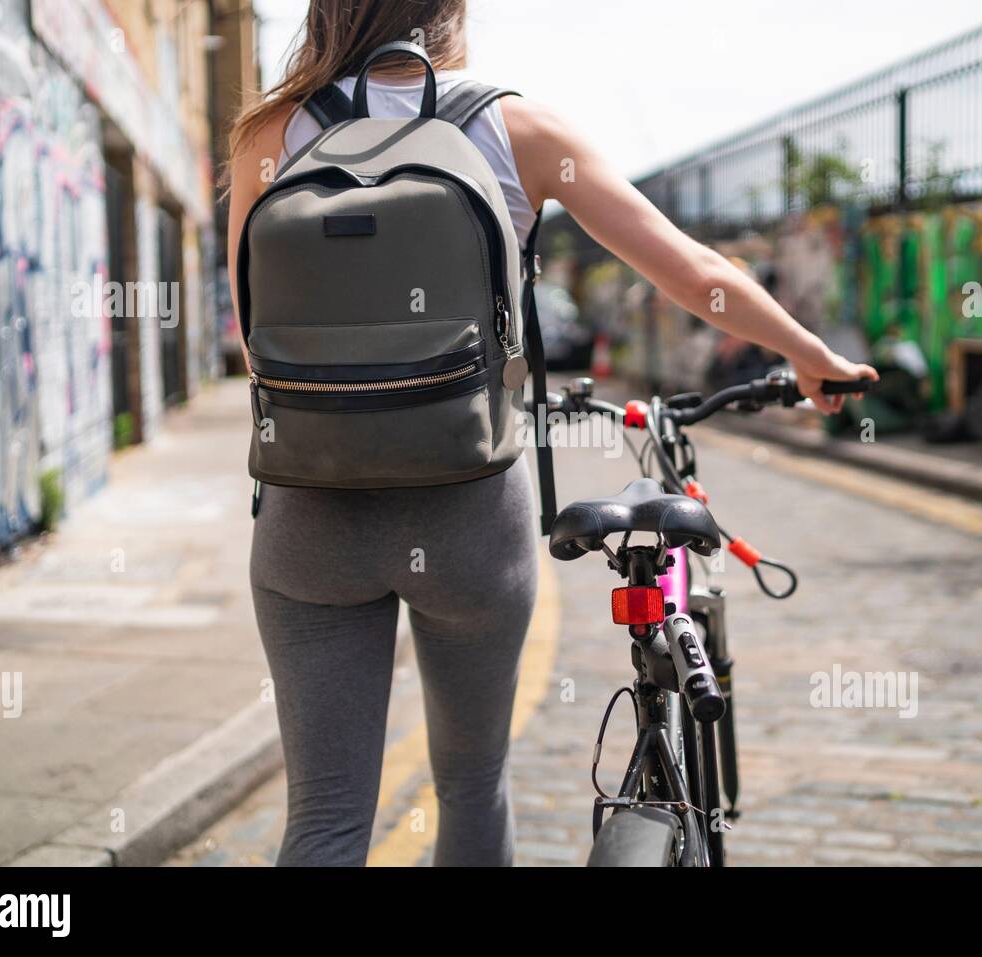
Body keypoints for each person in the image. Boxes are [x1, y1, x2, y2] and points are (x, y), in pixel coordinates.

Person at [226, 0, 877, 867]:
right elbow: (691, 268)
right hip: (468, 519)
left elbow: (253, 337)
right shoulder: (513, 126)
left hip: (310, 520)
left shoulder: (270, 132)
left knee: (326, 819)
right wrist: (805, 352)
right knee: (470, 785)